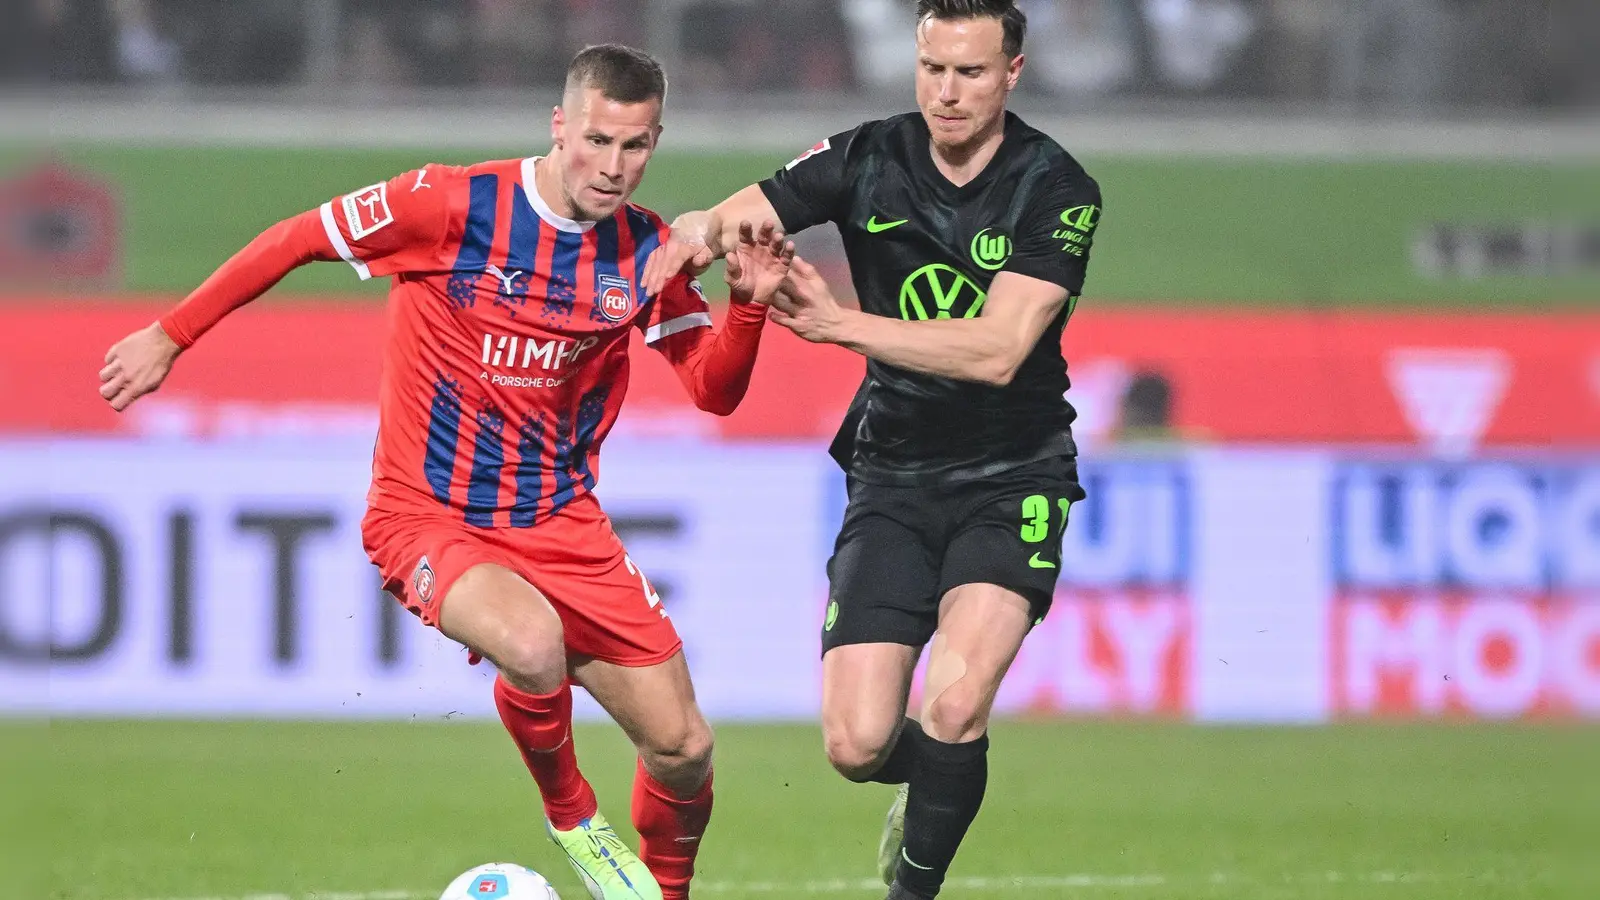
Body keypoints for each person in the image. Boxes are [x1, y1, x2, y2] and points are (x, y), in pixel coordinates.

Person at [98, 44, 795, 900]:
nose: (614, 167)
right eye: (597, 140)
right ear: (559, 125)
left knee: (685, 749)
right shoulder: (448, 203)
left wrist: (752, 306)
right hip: (426, 513)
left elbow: (713, 392)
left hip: (561, 522)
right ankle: (571, 813)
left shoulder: (645, 250)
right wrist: (171, 335)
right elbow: (294, 239)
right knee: (532, 644)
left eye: (637, 146)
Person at [641, 2, 1102, 898]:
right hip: (892, 472)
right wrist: (693, 237)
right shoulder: (865, 156)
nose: (947, 92)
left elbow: (999, 349)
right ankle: (937, 782)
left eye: (970, 73)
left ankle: (911, 887)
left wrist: (838, 325)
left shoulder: (1056, 186)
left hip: (1013, 473)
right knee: (855, 745)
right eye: (932, 69)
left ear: (1013, 72)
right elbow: (734, 214)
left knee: (957, 701)